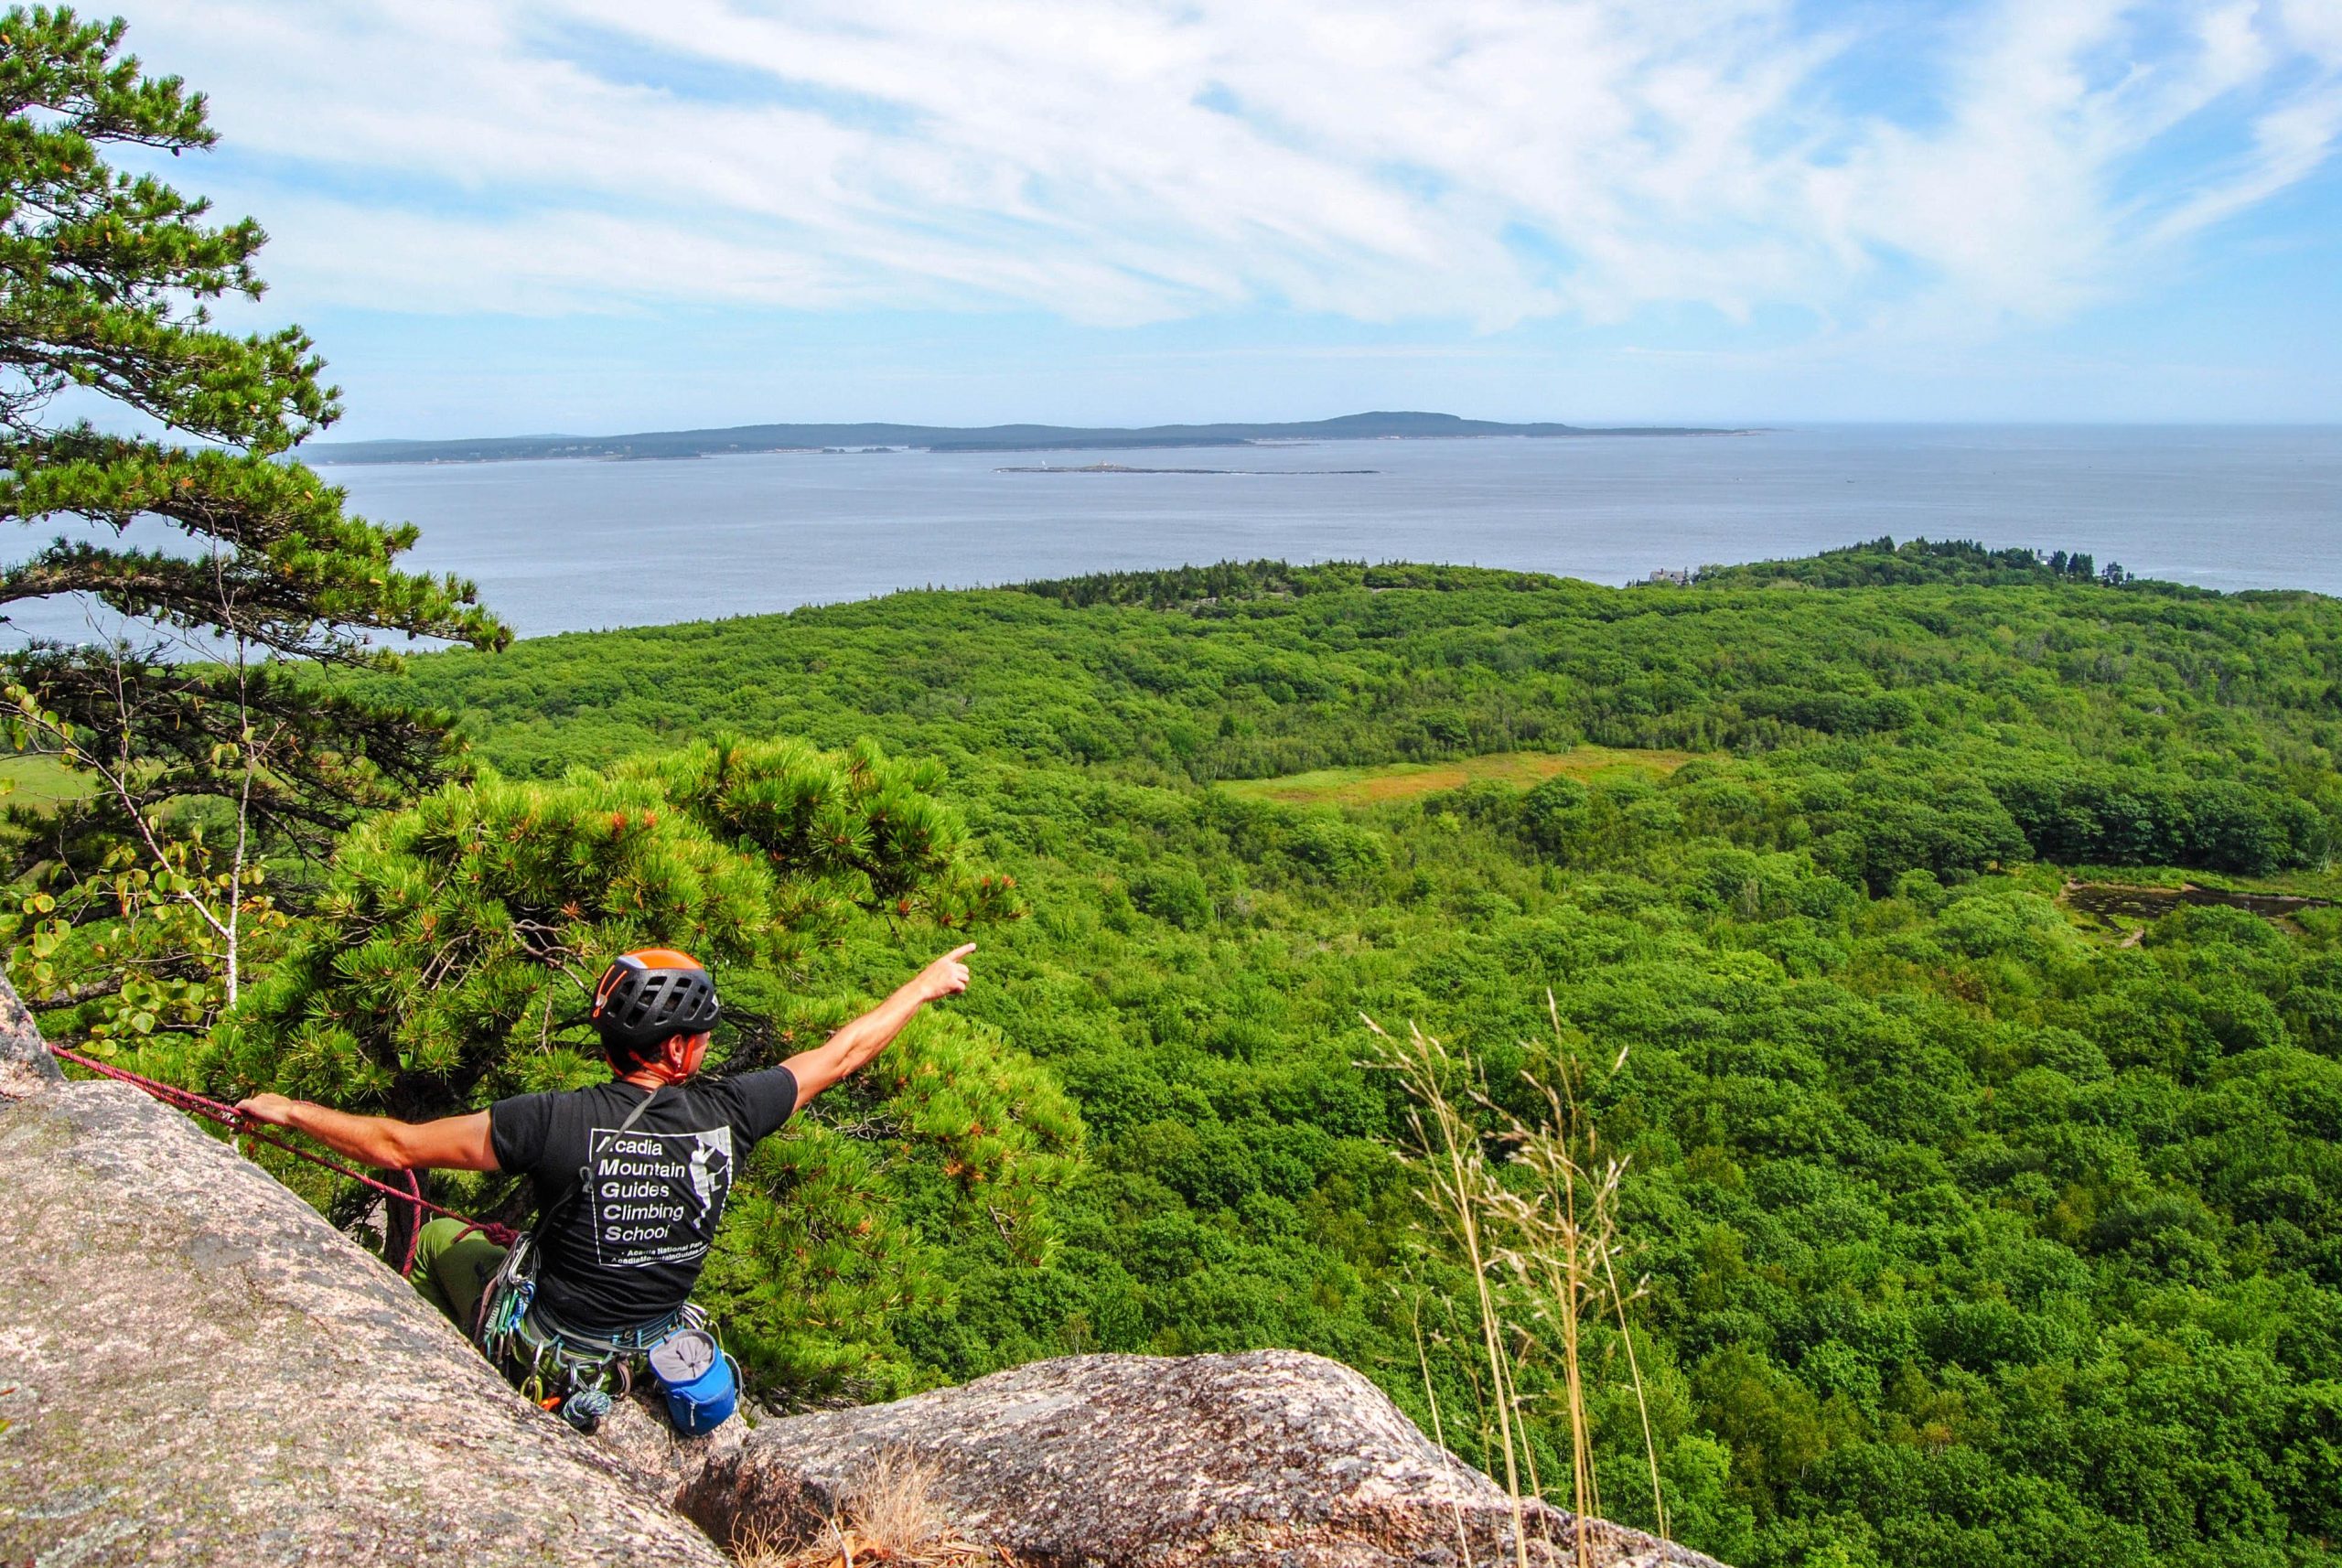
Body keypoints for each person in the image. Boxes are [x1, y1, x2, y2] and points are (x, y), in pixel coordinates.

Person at [233, 942, 975, 1417]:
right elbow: (844, 1053)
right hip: (657, 1347)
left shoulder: (548, 1121)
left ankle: (439, 1376)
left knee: (435, 1241)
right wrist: (923, 985)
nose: (710, 1045)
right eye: (704, 1035)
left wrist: (291, 1110)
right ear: (679, 1049)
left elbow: (398, 1147)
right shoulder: (734, 1112)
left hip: (554, 1347)